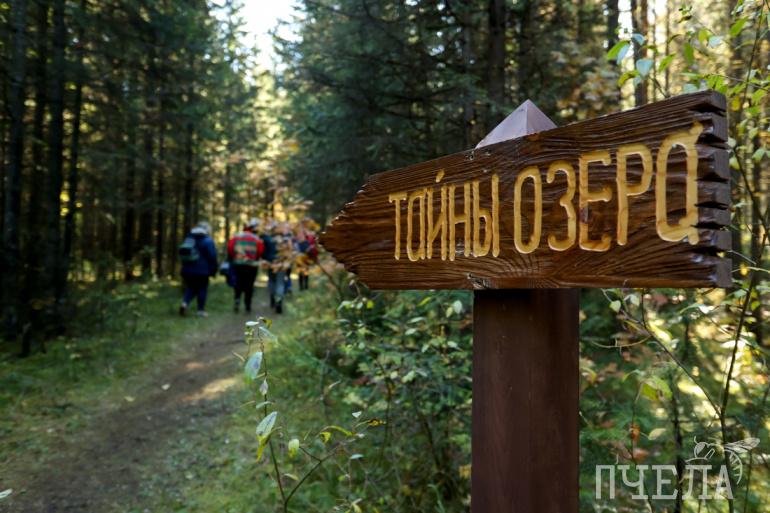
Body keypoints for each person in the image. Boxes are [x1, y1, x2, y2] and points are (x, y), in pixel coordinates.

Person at [179, 221, 218, 317]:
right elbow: (212, 256)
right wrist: (213, 270)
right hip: (202, 271)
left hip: (187, 270)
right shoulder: (208, 240)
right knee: (202, 289)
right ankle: (200, 311)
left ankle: (184, 303)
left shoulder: (189, 239)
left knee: (191, 288)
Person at [227, 218, 264, 313]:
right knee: (249, 285)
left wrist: (234, 257)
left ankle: (237, 299)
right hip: (251, 265)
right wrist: (255, 258)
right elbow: (260, 251)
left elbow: (230, 248)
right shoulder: (256, 238)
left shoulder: (236, 237)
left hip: (238, 264)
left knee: (238, 283)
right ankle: (248, 305)